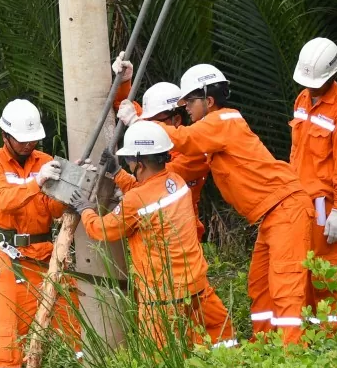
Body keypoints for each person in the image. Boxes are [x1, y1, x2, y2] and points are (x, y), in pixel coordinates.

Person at [118, 64, 313, 345]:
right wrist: (125, 88)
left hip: (286, 209)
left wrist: (138, 124)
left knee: (286, 288)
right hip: (273, 214)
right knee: (260, 285)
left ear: (208, 101)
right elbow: (161, 171)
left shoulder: (223, 122)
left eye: (189, 103)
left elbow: (181, 138)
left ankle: (294, 358)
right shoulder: (208, 138)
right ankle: (267, 350)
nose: (185, 110)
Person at [71, 121, 234, 348]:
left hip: (162, 298)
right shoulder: (176, 181)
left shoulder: (137, 200)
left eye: (128, 161)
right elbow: (147, 192)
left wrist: (85, 209)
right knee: (220, 340)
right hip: (197, 287)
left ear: (139, 162)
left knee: (161, 359)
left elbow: (102, 229)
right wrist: (117, 173)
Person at [0, 99, 82, 368]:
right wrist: (36, 183)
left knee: (70, 324)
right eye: (22, 139)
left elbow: (51, 209)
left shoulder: (46, 161)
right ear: (5, 136)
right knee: (8, 335)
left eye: (33, 139)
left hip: (46, 255)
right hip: (10, 257)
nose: (29, 144)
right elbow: (1, 200)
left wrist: (67, 187)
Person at [289, 38, 337, 322]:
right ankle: (309, 334)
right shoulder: (302, 100)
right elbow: (296, 152)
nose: (311, 86)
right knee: (302, 271)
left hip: (323, 207)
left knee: (331, 272)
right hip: (299, 202)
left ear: (332, 75)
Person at [109, 56, 209, 239]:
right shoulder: (150, 123)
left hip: (182, 232)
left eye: (152, 122)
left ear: (176, 119)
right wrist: (124, 80)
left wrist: (118, 175)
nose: (147, 126)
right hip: (150, 231)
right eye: (147, 121)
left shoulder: (195, 153)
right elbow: (123, 104)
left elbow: (154, 179)